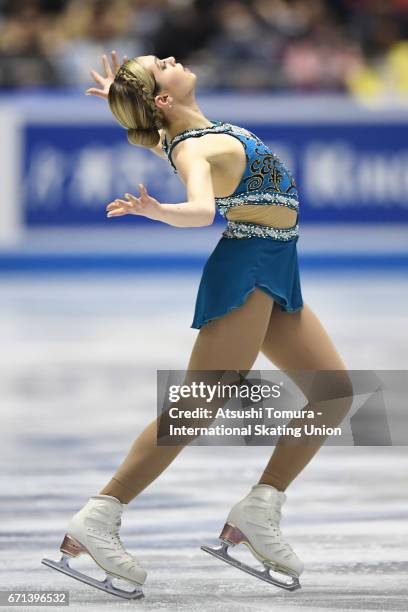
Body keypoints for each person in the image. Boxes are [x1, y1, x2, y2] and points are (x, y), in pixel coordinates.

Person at [41, 52, 353, 599]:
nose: (170, 58)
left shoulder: (182, 132)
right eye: (160, 65)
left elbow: (154, 134)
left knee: (333, 392)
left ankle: (259, 508)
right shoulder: (193, 147)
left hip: (276, 262)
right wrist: (160, 210)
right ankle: (98, 515)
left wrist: (124, 98)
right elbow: (202, 209)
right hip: (247, 270)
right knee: (198, 405)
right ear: (163, 98)